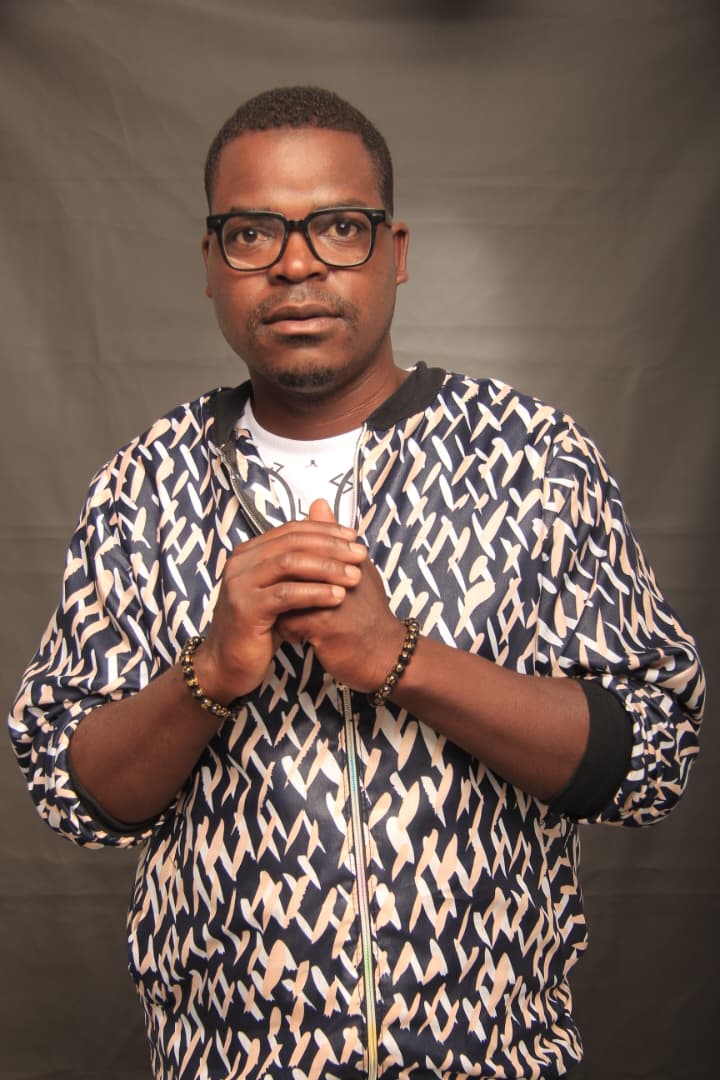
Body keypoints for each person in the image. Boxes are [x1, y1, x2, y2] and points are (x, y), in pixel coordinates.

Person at [9, 86, 704, 1080]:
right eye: (253, 232)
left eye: (339, 226)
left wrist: (400, 658)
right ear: (210, 263)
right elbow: (76, 794)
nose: (295, 265)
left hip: (493, 1059)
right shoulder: (142, 485)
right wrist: (211, 672)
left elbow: (651, 759)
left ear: (396, 251)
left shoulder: (534, 459)